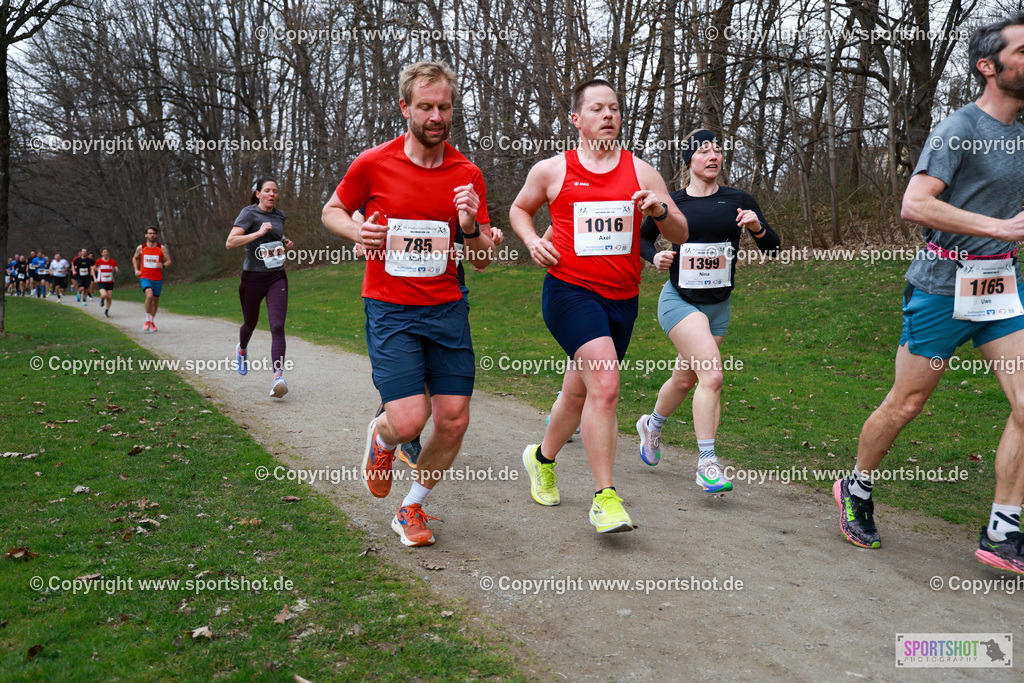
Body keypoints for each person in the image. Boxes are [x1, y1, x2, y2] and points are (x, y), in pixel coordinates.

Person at [836, 14, 1024, 576]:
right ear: (988, 66)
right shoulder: (958, 128)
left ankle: (1004, 529)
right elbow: (915, 204)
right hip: (943, 286)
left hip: (1001, 286)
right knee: (908, 402)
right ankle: (856, 486)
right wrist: (1001, 228)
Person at [322, 60, 496, 547]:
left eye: (444, 107)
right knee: (408, 421)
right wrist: (359, 231)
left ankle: (411, 507)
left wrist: (469, 227)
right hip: (391, 309)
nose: (436, 116)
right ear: (405, 108)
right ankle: (382, 438)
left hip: (446, 309)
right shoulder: (373, 163)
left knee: (454, 419)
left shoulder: (467, 174)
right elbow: (331, 210)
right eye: (425, 107)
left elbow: (482, 259)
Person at [510, 78, 688, 533]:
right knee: (606, 386)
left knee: (579, 392)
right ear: (576, 119)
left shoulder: (642, 173)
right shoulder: (552, 170)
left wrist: (659, 212)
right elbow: (519, 209)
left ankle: (541, 458)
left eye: (614, 107)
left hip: (622, 299)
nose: (608, 114)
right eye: (597, 108)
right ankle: (605, 498)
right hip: (569, 291)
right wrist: (532, 240)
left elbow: (682, 233)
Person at [635, 130, 780, 493]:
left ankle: (652, 425)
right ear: (689, 161)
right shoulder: (673, 202)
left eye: (717, 150)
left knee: (686, 381)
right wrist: (655, 256)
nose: (713, 155)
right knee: (712, 377)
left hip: (719, 308)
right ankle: (708, 463)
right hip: (679, 302)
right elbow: (641, 238)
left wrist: (757, 227)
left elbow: (774, 249)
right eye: (703, 151)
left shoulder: (739, 200)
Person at [359, 214, 505, 468]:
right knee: (418, 370)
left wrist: (487, 239)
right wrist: (359, 233)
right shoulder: (399, 198)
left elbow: (479, 248)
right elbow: (358, 212)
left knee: (434, 373)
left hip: (451, 291)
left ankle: (401, 429)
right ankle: (401, 429)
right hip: (401, 292)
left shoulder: (462, 199)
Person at [226, 177, 294, 398]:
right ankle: (242, 349)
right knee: (250, 324)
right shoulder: (248, 214)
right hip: (252, 278)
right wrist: (257, 233)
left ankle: (278, 378)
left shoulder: (280, 215)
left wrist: (284, 241)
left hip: (277, 277)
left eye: (275, 191)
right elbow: (230, 242)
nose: (272, 194)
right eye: (267, 190)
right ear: (258, 194)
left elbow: (276, 234)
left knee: (278, 326)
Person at [132, 227, 171, 332]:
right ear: (146, 235)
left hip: (157, 278)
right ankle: (147, 320)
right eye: (149, 233)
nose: (152, 235)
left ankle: (151, 321)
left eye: (153, 233)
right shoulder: (141, 248)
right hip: (145, 276)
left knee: (155, 301)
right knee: (149, 295)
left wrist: (163, 265)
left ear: (156, 235)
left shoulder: (161, 248)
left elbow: (168, 261)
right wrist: (136, 270)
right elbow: (135, 258)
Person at [91, 248, 119, 317]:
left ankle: (106, 311)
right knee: (104, 294)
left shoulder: (112, 261)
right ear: (102, 253)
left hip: (110, 281)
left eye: (106, 252)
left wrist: (117, 270)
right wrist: (95, 278)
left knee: (109, 297)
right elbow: (93, 269)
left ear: (108, 253)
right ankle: (102, 299)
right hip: (101, 281)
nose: (105, 253)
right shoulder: (98, 261)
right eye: (104, 252)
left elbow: (116, 267)